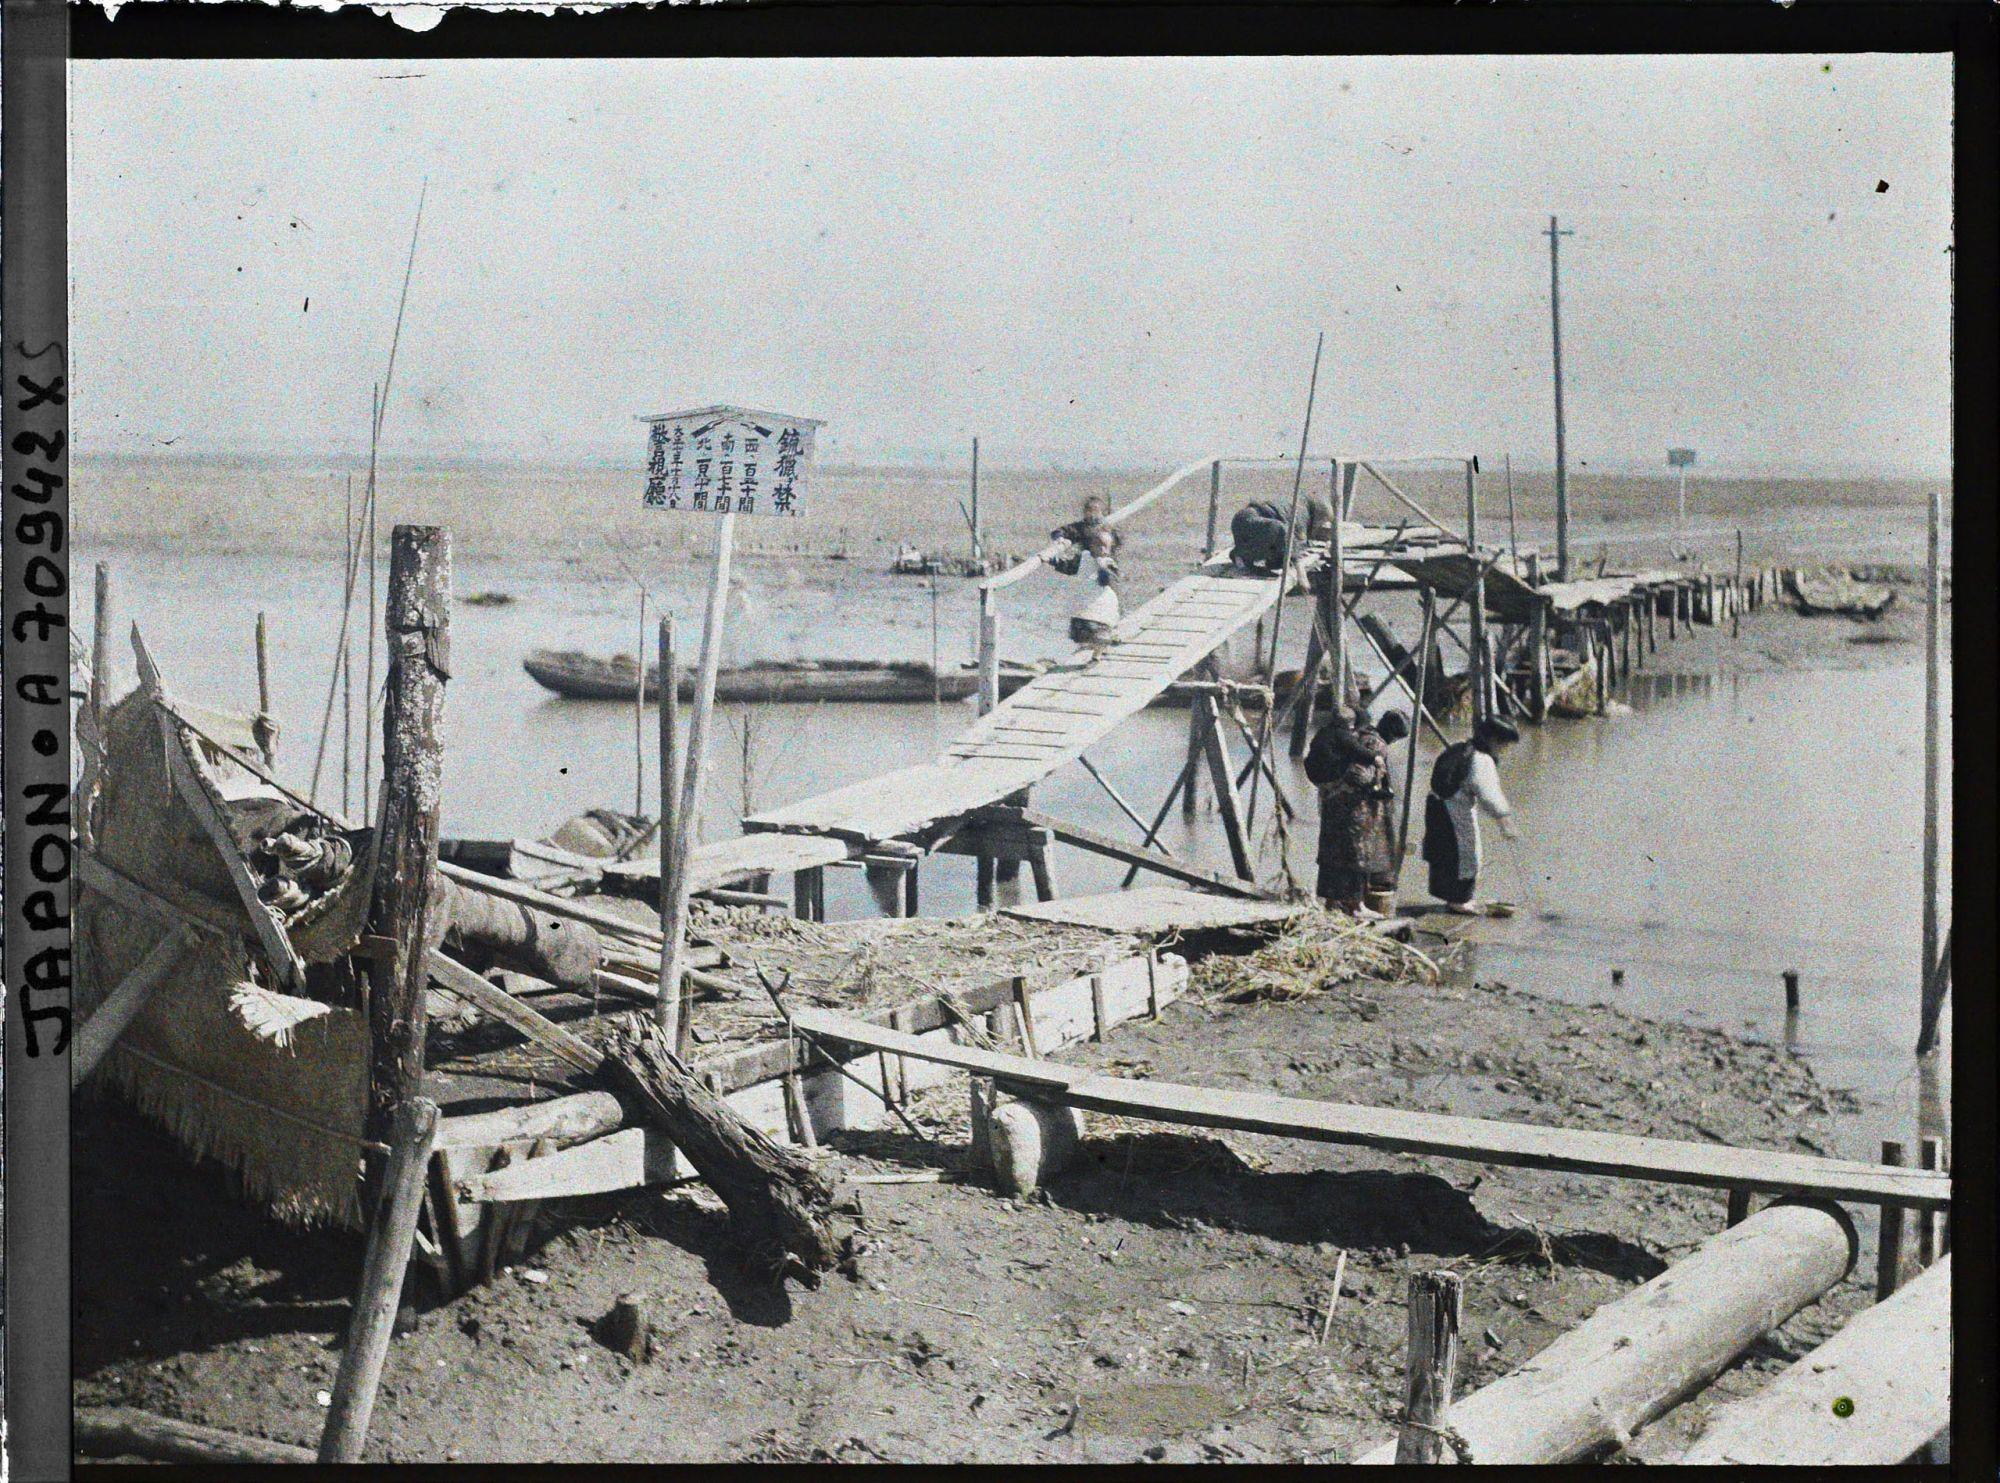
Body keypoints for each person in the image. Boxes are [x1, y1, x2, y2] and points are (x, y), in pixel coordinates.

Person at [1304, 704, 1410, 919]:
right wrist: (1375, 787)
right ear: (1393, 735)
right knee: (1356, 857)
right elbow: (1357, 774)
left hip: (1333, 805)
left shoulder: (1357, 734)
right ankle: (1356, 906)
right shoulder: (1376, 744)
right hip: (1354, 810)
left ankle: (1333, 902)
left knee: (1332, 854)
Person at [1421, 717, 1521, 914]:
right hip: (1454, 808)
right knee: (1467, 854)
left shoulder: (1460, 747)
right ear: (1494, 740)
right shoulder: (1481, 759)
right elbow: (1489, 795)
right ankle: (1459, 900)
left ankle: (1453, 897)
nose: (1505, 749)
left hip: (1436, 805)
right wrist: (1504, 820)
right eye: (1505, 744)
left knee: (1444, 852)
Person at [1051, 495, 1123, 645]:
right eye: (1088, 511)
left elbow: (1119, 540)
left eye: (1095, 511)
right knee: (1090, 599)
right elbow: (1063, 531)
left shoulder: (1107, 527)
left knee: (1112, 596)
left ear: (1102, 512)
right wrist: (1059, 538)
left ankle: (1112, 629)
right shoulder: (1081, 527)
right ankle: (1090, 634)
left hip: (1106, 563)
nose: (1091, 514)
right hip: (1088, 561)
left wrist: (1107, 553)